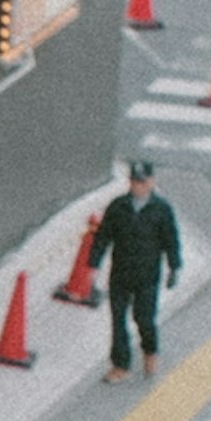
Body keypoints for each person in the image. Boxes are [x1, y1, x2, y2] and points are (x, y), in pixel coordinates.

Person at [75, 159, 182, 383]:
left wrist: (174, 267)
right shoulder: (118, 207)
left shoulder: (161, 210)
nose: (138, 187)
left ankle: (150, 350)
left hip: (148, 275)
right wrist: (93, 265)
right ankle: (120, 365)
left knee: (144, 318)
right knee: (118, 320)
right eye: (134, 182)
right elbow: (103, 236)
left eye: (142, 182)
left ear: (151, 182)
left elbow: (171, 240)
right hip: (121, 273)